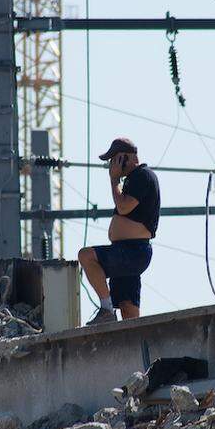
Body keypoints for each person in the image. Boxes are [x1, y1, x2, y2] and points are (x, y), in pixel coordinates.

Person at [78, 137, 161, 325]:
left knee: (86, 256)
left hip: (132, 251)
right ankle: (135, 340)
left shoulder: (142, 175)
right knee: (126, 305)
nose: (111, 165)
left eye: (114, 159)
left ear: (125, 157)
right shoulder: (133, 179)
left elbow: (124, 207)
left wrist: (114, 180)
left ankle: (106, 309)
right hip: (126, 251)